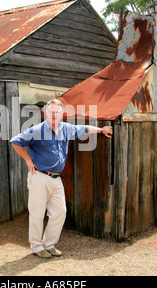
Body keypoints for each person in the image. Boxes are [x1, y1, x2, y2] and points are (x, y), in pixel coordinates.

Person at [10, 99, 113, 258]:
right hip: (39, 177)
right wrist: (27, 159)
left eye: (57, 112)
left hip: (56, 178)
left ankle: (49, 244)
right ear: (46, 113)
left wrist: (101, 130)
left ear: (61, 114)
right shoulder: (37, 130)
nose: (54, 115)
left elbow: (84, 128)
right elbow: (16, 141)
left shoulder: (66, 128)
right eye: (51, 112)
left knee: (60, 212)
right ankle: (37, 247)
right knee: (37, 214)